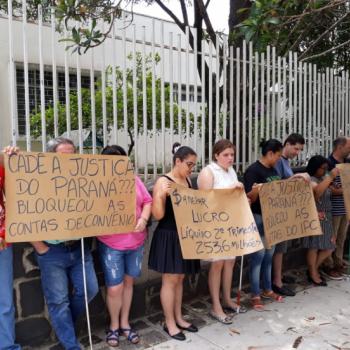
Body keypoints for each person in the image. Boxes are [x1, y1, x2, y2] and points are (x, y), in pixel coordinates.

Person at [32, 137, 99, 350]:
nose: (69, 160)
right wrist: (40, 247)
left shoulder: (83, 180)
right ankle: (71, 345)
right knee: (58, 301)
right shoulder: (38, 181)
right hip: (52, 252)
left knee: (90, 289)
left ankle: (65, 324)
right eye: (63, 156)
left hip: (79, 248)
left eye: (73, 155)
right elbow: (25, 213)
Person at [97, 145, 152, 347]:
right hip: (111, 243)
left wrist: (144, 219)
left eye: (120, 160)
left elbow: (147, 200)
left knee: (129, 283)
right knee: (114, 287)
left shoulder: (134, 180)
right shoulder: (97, 184)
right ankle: (113, 325)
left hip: (136, 241)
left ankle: (124, 322)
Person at [149, 143, 200, 341]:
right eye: (189, 164)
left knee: (180, 278)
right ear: (177, 161)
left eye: (194, 165)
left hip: (184, 234)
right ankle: (168, 321)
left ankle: (178, 317)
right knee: (170, 280)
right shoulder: (163, 181)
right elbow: (158, 215)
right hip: (168, 234)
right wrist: (161, 195)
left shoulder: (187, 179)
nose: (191, 168)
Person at [197, 139, 246, 324]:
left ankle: (226, 298)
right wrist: (230, 189)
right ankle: (215, 305)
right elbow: (205, 202)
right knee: (217, 264)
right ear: (216, 155)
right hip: (215, 226)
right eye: (226, 155)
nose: (230, 158)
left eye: (232, 154)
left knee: (230, 262)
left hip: (231, 223)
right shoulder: (208, 172)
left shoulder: (231, 171)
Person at [244, 139, 284, 311]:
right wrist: (256, 190)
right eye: (278, 156)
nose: (279, 159)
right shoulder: (252, 170)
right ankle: (255, 294)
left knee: (269, 254)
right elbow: (248, 198)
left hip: (272, 218)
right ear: (270, 153)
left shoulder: (274, 169)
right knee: (258, 257)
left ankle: (267, 289)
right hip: (258, 217)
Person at [272, 133, 307, 297]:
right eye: (296, 148)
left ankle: (278, 276)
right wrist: (295, 178)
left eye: (300, 150)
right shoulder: (278, 161)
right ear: (287, 144)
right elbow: (276, 185)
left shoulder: (285, 161)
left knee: (282, 248)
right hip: (277, 212)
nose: (297, 152)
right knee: (278, 248)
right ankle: (276, 281)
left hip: (285, 211)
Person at [303, 156, 338, 286]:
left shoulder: (323, 179)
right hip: (315, 216)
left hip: (327, 215)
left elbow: (332, 192)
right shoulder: (310, 179)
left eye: (326, 169)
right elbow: (317, 193)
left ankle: (313, 269)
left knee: (330, 246)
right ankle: (313, 273)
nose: (325, 171)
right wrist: (330, 177)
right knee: (314, 246)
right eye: (322, 168)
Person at [0, 147, 21, 350]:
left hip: (2, 243)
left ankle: (7, 347)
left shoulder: (0, 163)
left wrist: (14, 158)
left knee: (4, 302)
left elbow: (21, 182)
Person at [322, 136, 350, 280]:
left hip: (346, 206)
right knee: (331, 238)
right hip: (333, 207)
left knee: (341, 237)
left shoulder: (347, 162)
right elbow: (328, 186)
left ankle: (338, 262)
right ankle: (328, 265)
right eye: (348, 147)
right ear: (340, 147)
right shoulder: (328, 163)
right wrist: (344, 190)